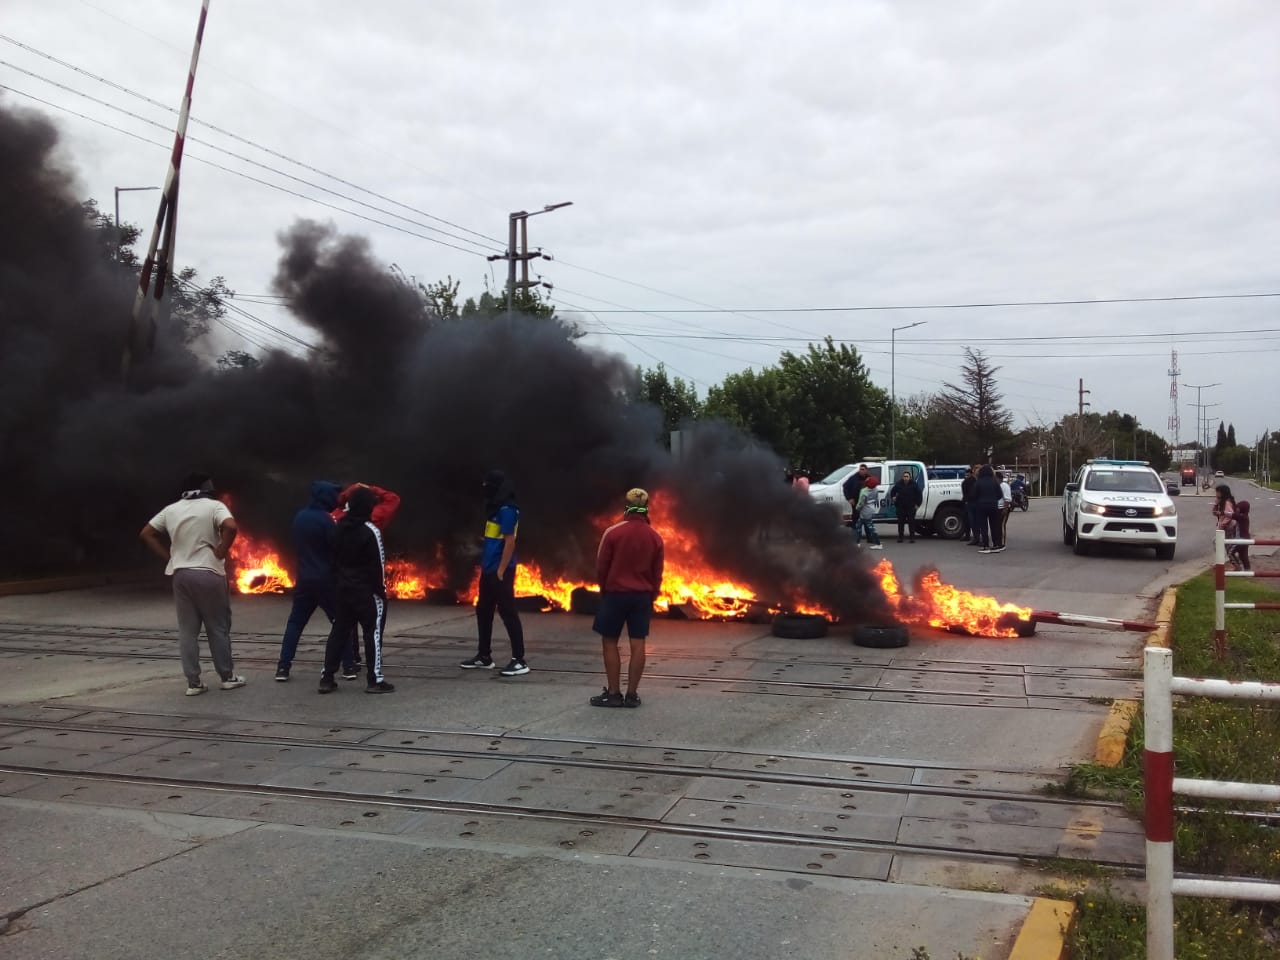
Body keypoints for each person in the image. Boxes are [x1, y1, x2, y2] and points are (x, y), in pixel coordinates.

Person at [139, 472, 246, 696]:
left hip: (181, 574)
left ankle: (193, 683)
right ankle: (227, 677)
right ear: (206, 488)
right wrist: (221, 550)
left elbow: (146, 534)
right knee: (217, 627)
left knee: (188, 631)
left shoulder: (172, 509)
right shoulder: (214, 506)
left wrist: (169, 557)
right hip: (208, 572)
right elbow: (231, 526)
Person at [589, 488, 665, 708]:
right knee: (638, 643)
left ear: (626, 507)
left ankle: (613, 694)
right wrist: (652, 594)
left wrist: (604, 590)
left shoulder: (612, 533)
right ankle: (632, 695)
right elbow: (657, 573)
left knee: (610, 641)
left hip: (615, 595)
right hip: (641, 597)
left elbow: (601, 567)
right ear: (647, 508)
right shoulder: (655, 537)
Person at [318, 487, 394, 694]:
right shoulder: (371, 531)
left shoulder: (338, 527)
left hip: (343, 590)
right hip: (366, 592)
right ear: (368, 507)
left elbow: (332, 559)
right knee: (373, 633)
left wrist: (337, 583)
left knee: (339, 632)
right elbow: (377, 565)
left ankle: (326, 678)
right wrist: (381, 592)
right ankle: (374, 680)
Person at [459, 470, 528, 676]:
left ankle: (519, 660)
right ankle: (484, 656)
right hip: (488, 570)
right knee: (483, 611)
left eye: (488, 485)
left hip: (501, 571)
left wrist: (500, 570)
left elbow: (510, 542)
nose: (485, 489)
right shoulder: (494, 509)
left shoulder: (508, 509)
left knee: (508, 613)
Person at [275, 480, 341, 681]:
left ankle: (283, 668)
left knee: (295, 623)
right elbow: (335, 548)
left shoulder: (300, 517)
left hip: (304, 579)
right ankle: (348, 667)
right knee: (341, 623)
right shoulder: (326, 520)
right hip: (326, 580)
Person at [974, 464, 1004, 553]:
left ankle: (985, 546)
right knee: (994, 526)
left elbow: (974, 495)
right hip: (993, 505)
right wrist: (994, 499)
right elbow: (1000, 495)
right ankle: (996, 545)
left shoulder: (978, 482)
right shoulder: (995, 482)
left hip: (982, 506)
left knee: (983, 527)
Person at [888, 470, 923, 543]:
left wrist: (917, 505)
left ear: (910, 477)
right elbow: (892, 492)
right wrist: (893, 497)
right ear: (902, 477)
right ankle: (900, 537)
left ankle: (912, 538)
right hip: (901, 507)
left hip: (911, 507)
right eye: (904, 476)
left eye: (907, 476)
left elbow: (919, 495)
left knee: (911, 523)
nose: (905, 478)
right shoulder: (898, 484)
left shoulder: (914, 484)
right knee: (900, 523)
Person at [854, 476, 883, 549]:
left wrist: (857, 508)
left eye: (868, 479)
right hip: (871, 509)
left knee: (864, 527)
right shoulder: (875, 490)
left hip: (864, 510)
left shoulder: (864, 491)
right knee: (863, 526)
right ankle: (857, 543)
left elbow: (861, 503)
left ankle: (877, 544)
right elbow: (876, 499)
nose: (867, 479)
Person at [842, 464, 871, 530]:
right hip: (856, 501)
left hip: (866, 502)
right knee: (856, 517)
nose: (861, 471)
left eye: (863, 469)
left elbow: (873, 487)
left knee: (867, 519)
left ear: (866, 470)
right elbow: (845, 487)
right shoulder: (854, 478)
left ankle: (870, 537)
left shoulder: (869, 478)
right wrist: (849, 498)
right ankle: (855, 534)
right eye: (860, 469)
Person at [1211, 483, 1237, 550]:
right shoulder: (1221, 502)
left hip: (1228, 527)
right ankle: (1228, 558)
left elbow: (1229, 515)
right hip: (1225, 527)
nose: (1216, 493)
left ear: (1222, 493)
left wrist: (1222, 525)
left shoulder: (1227, 502)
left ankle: (1227, 558)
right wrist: (1216, 505)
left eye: (1218, 492)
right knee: (1222, 544)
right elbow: (1214, 513)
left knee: (1219, 543)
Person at [1230, 500, 1251, 571]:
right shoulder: (1245, 517)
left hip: (1241, 539)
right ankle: (1247, 569)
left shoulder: (1242, 517)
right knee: (1243, 555)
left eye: (1238, 508)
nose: (1237, 509)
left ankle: (1238, 567)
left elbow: (1232, 515)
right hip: (1246, 539)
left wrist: (1222, 512)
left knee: (1230, 552)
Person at [961, 465, 980, 545]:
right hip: (971, 502)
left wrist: (966, 500)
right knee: (969, 520)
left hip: (971, 502)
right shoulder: (974, 480)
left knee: (973, 521)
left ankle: (975, 538)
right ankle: (970, 536)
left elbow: (967, 492)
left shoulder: (972, 481)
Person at [998, 472, 1014, 548]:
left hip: (1003, 508)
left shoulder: (1004, 486)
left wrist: (1005, 510)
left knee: (1001, 525)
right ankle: (998, 541)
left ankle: (1002, 543)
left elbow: (1007, 499)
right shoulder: (997, 486)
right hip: (997, 508)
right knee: (997, 526)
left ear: (999, 478)